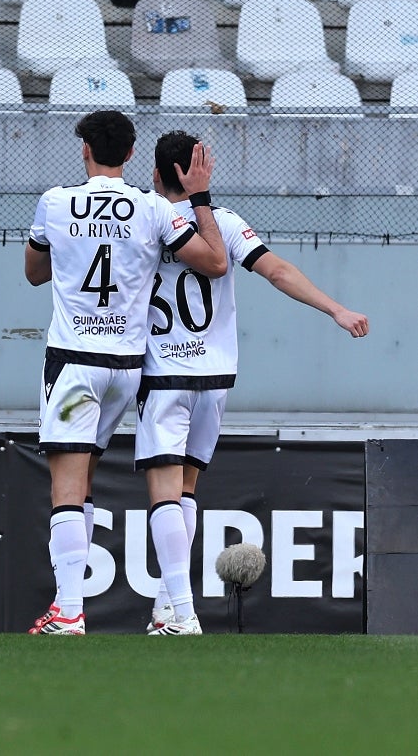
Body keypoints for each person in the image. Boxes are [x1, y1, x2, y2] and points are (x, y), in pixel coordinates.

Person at [138, 130, 370, 635]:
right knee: (186, 489)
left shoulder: (143, 218)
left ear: (156, 175)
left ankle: (184, 614)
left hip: (163, 374)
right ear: (201, 171)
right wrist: (336, 309)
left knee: (164, 492)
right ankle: (165, 608)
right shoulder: (222, 221)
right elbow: (277, 271)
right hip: (215, 377)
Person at [23, 110, 227, 635]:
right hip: (127, 369)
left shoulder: (55, 201)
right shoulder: (152, 207)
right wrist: (200, 198)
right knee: (87, 477)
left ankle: (69, 610)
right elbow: (214, 261)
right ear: (132, 154)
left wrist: (75, 249)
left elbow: (34, 272)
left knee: (68, 487)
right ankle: (80, 607)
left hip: (74, 364)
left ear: (85, 150)